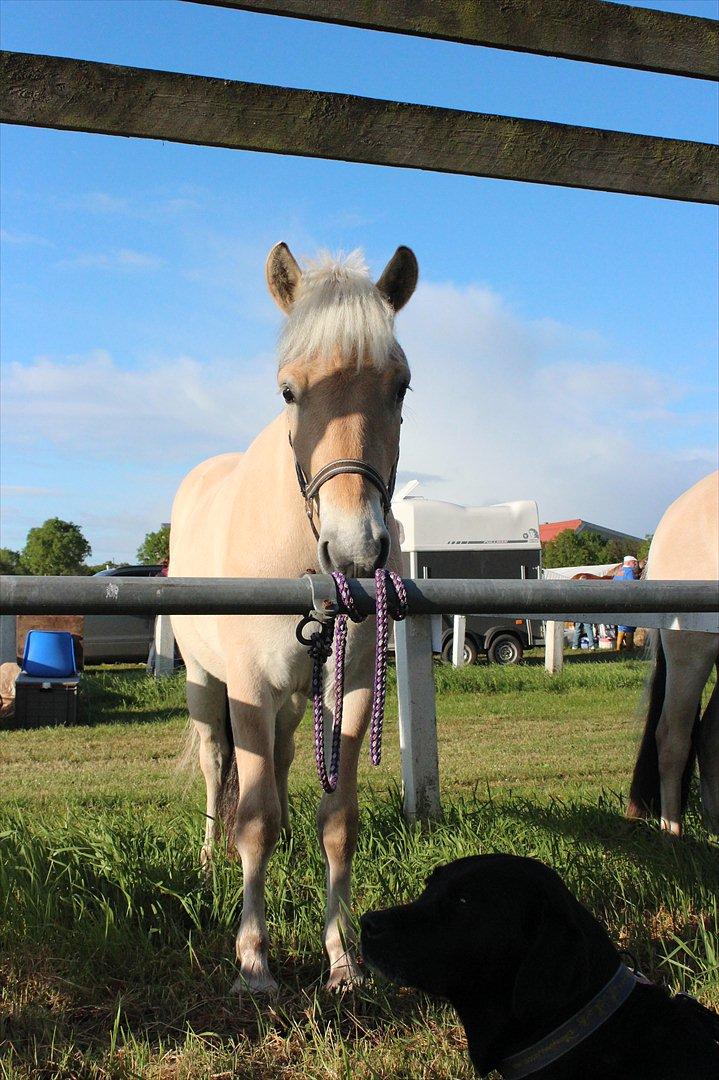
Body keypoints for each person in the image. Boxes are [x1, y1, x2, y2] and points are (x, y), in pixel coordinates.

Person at [615, 555, 639, 651]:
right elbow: (633, 586)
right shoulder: (629, 572)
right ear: (629, 563)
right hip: (627, 602)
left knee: (621, 627)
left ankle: (618, 648)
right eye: (634, 563)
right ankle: (629, 649)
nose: (635, 565)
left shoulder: (618, 572)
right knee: (629, 626)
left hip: (618, 602)